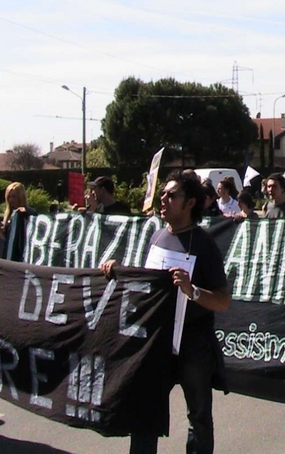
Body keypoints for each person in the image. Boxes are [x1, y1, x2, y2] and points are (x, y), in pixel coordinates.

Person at [101, 170, 230, 454]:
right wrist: (118, 270)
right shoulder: (158, 237)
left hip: (193, 346)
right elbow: (147, 284)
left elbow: (223, 300)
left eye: (172, 195)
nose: (164, 199)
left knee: (198, 415)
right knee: (145, 410)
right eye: (162, 194)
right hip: (156, 342)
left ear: (190, 203)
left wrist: (192, 290)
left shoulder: (205, 246)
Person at [0, 182, 37, 260]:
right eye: (9, 197)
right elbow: (6, 237)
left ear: (21, 197)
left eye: (14, 196)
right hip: (9, 253)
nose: (11, 200)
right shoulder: (9, 213)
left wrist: (25, 212)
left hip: (23, 254)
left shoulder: (28, 212)